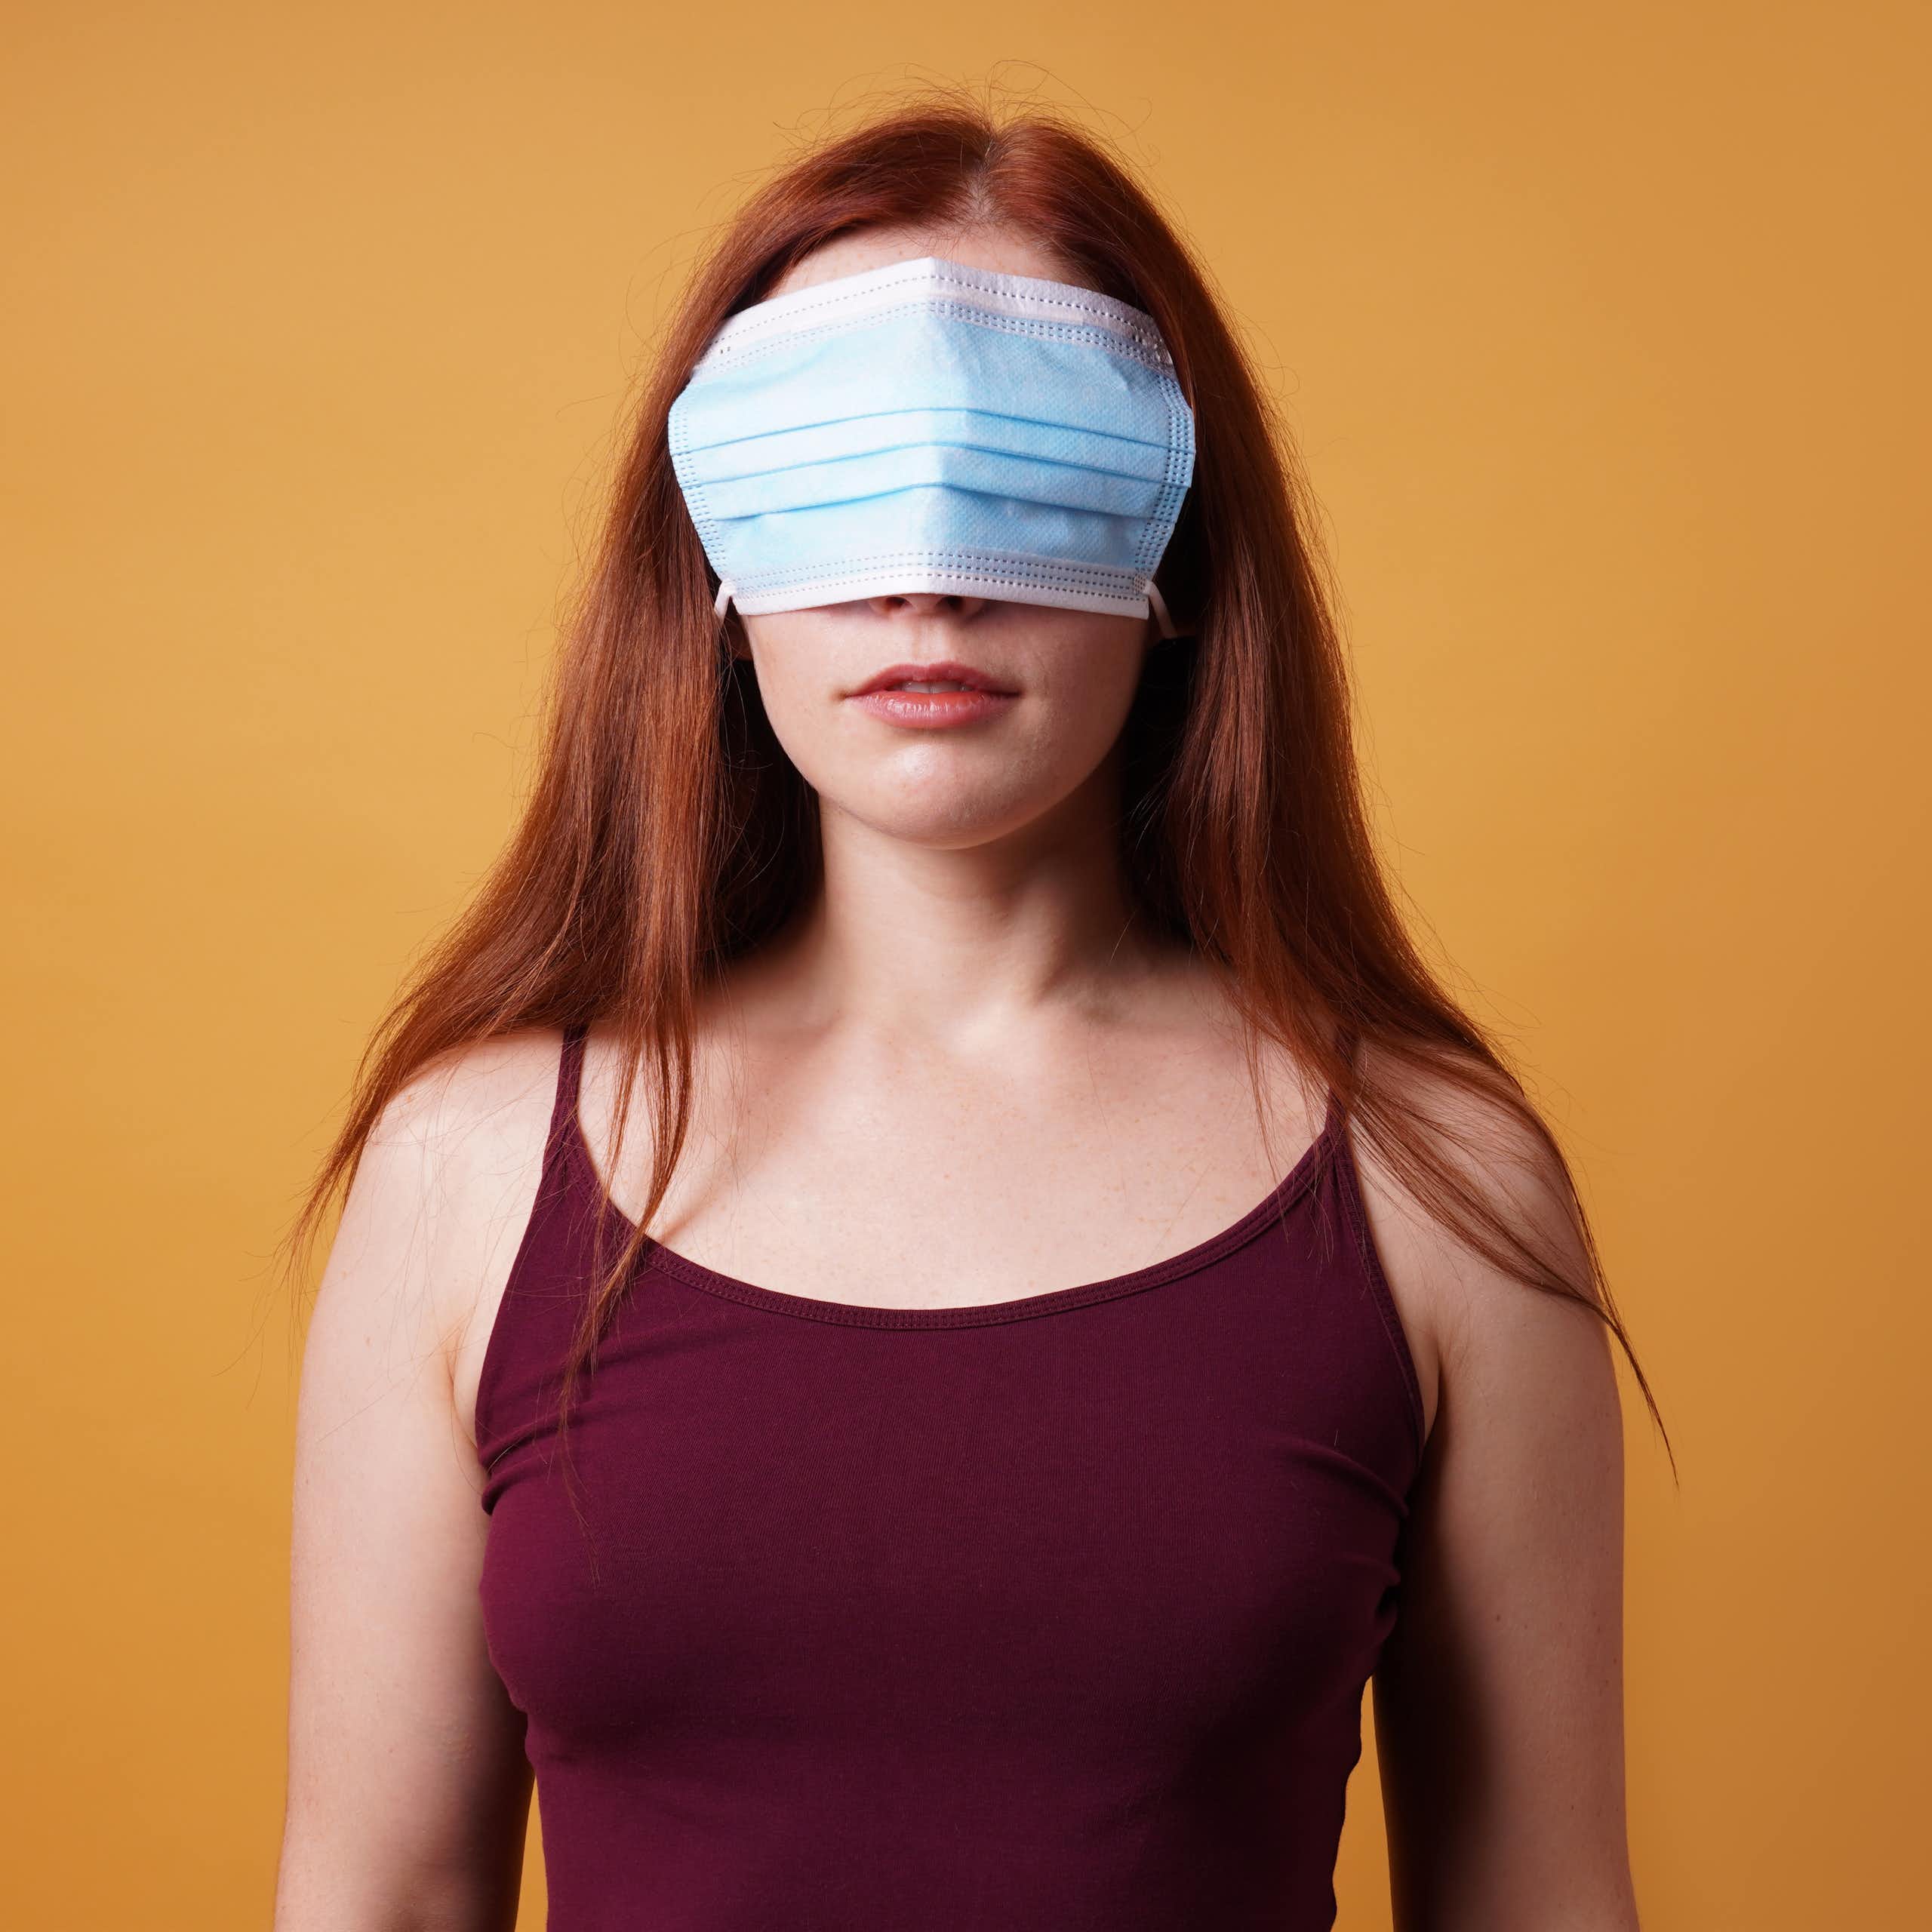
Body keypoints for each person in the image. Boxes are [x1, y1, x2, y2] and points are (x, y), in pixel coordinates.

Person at [273, 97, 1658, 1932]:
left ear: (1171, 557)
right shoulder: (465, 1173)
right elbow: (372, 1895)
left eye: (1026, 468)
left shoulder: (1434, 1187)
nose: (925, 574)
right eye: (833, 473)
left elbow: (1539, 1900)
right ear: (711, 561)